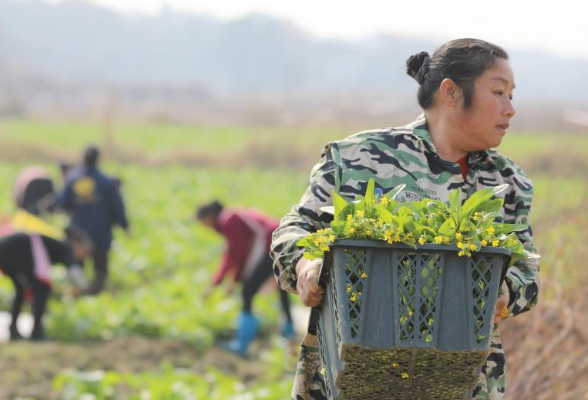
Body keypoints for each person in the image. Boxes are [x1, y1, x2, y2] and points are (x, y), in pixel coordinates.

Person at [270, 38, 540, 400]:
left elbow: (527, 270)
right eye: (499, 92)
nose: (510, 109)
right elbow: (293, 230)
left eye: (511, 95)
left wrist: (503, 293)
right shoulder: (358, 158)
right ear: (450, 92)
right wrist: (305, 266)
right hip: (350, 378)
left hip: (460, 383)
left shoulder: (508, 183)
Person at [196, 200, 294, 357]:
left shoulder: (229, 220)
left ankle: (242, 342)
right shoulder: (232, 216)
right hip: (282, 241)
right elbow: (232, 253)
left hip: (271, 244)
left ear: (209, 216)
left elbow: (238, 252)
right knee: (281, 285)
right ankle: (290, 331)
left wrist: (233, 280)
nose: (205, 227)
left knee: (247, 291)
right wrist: (218, 281)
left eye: (203, 222)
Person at [58, 146, 130, 295]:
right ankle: (96, 295)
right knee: (100, 269)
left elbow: (62, 203)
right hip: (100, 232)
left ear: (83, 159)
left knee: (77, 267)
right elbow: (117, 206)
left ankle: (78, 295)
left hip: (78, 235)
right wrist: (125, 226)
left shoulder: (72, 180)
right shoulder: (106, 182)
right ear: (98, 160)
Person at [0, 227, 92, 340]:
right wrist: (86, 289)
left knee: (21, 289)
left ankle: (14, 330)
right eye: (84, 251)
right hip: (18, 247)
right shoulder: (66, 248)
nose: (84, 255)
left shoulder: (56, 244)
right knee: (42, 289)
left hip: (6, 247)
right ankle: (37, 332)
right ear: (77, 244)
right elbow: (74, 273)